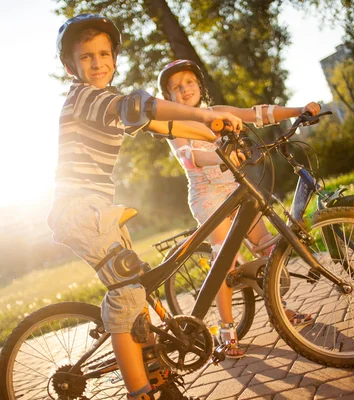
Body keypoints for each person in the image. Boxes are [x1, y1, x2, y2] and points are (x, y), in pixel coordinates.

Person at [47, 15, 243, 400]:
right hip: (79, 209)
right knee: (126, 296)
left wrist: (213, 133)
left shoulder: (110, 101)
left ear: (115, 59)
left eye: (104, 53)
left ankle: (155, 372)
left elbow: (163, 126)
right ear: (71, 66)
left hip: (99, 209)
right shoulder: (85, 97)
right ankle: (141, 392)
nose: (98, 62)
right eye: (86, 56)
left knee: (137, 288)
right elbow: (146, 107)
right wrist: (204, 114)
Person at [157, 59, 320, 358]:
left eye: (189, 83)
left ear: (199, 85)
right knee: (226, 262)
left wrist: (297, 110)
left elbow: (256, 114)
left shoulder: (217, 113)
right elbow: (189, 157)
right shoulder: (175, 125)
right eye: (176, 88)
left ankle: (281, 311)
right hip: (207, 197)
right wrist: (223, 157)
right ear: (169, 97)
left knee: (266, 250)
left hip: (235, 187)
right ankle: (226, 331)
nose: (184, 90)